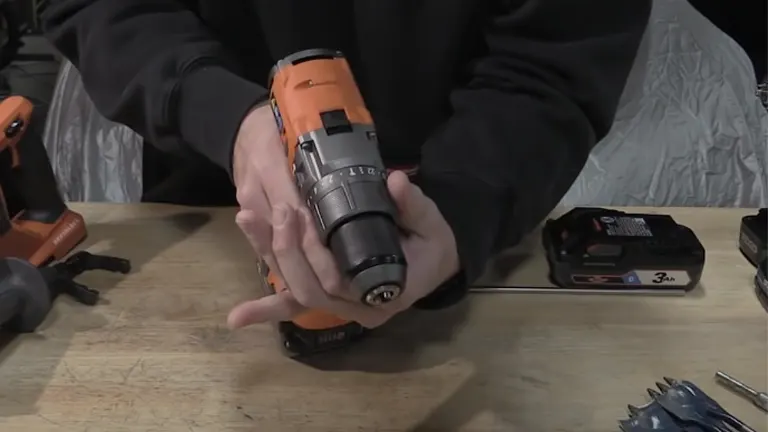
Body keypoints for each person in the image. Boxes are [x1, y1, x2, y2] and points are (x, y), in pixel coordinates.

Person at [42, 1, 652, 330]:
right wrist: (224, 115)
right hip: (210, 210)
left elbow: (556, 60)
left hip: (463, 224)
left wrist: (466, 207)